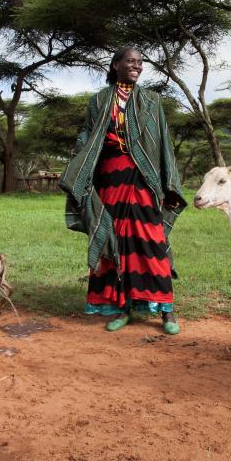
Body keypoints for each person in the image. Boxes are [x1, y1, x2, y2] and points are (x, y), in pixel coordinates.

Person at [60, 48, 187, 334]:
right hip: (110, 178)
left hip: (144, 177)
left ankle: (167, 310)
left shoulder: (152, 101)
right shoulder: (100, 100)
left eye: (140, 63)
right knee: (115, 239)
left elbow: (162, 141)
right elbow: (88, 133)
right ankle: (123, 307)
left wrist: (168, 181)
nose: (137, 66)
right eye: (131, 61)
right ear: (116, 64)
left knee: (151, 240)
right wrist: (81, 157)